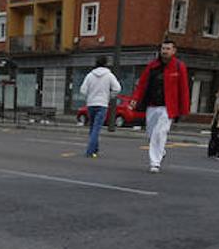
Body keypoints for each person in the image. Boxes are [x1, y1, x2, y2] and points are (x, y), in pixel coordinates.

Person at [128, 39, 190, 172]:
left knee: (160, 132)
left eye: (168, 49)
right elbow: (142, 84)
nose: (165, 51)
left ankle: (155, 163)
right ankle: (159, 150)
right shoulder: (152, 66)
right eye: (163, 49)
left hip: (168, 107)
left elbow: (183, 89)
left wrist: (183, 109)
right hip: (151, 105)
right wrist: (135, 99)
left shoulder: (179, 67)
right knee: (151, 134)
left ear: (174, 51)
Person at [78, 55, 121, 158]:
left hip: (91, 104)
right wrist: (110, 96)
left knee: (92, 128)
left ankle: (95, 150)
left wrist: (89, 96)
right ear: (106, 63)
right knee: (97, 129)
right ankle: (90, 151)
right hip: (102, 104)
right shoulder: (109, 75)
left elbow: (83, 90)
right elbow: (117, 88)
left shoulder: (90, 75)